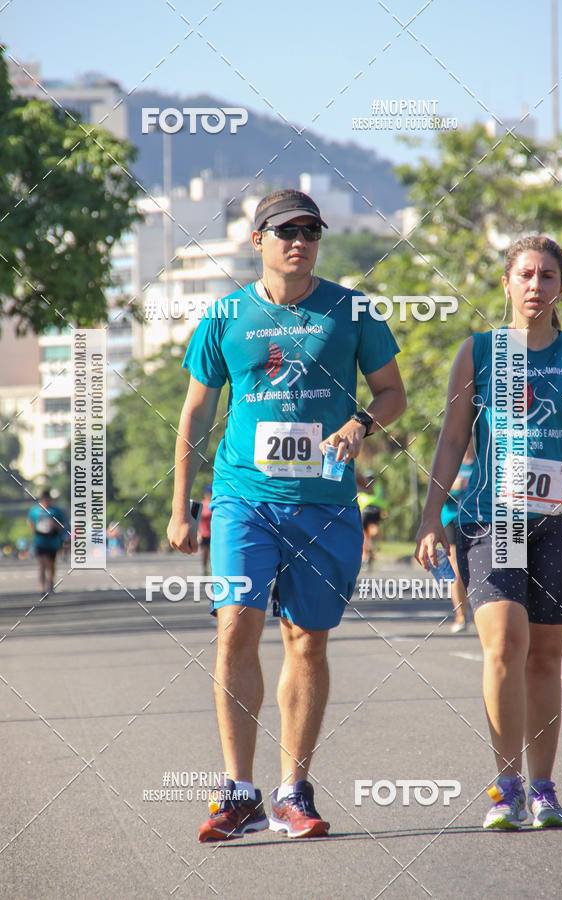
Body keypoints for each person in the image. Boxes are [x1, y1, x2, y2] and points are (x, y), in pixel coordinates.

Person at [167, 188, 406, 842]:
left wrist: (360, 425)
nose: (298, 241)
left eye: (309, 230)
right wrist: (182, 506)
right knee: (236, 624)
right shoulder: (225, 316)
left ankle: (291, 791)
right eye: (284, 231)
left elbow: (392, 394)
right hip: (242, 496)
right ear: (258, 241)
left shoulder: (351, 309)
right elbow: (195, 413)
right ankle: (237, 791)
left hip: (324, 503)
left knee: (306, 639)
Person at [415, 236, 562, 830]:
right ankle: (507, 785)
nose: (536, 285)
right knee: (504, 646)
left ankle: (543, 789)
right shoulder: (479, 352)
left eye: (548, 276)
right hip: (493, 518)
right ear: (506, 283)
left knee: (545, 658)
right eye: (525, 274)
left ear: (560, 288)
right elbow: (450, 440)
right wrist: (429, 516)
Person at [440, 440, 474, 632]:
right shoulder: (449, 462)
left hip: (477, 519)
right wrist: (454, 487)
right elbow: (435, 491)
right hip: (451, 519)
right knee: (457, 570)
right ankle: (461, 616)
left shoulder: (481, 462)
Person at [27, 489, 69, 596]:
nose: (46, 502)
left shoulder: (56, 511)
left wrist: (54, 524)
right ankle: (42, 589)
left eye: (48, 500)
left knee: (51, 565)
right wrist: (34, 530)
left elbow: (64, 526)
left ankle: (50, 583)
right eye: (44, 500)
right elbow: (30, 521)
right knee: (42, 564)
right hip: (40, 541)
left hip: (53, 541)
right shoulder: (34, 511)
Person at [356, 471, 389, 568]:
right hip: (376, 512)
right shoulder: (379, 489)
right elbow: (385, 501)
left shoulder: (361, 487)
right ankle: (372, 548)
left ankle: (366, 553)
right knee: (372, 531)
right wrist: (385, 511)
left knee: (364, 534)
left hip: (366, 512)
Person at [199, 484, 212, 574]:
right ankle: (204, 570)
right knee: (205, 554)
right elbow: (197, 519)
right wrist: (198, 533)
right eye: (208, 493)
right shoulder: (202, 505)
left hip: (214, 534)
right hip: (204, 533)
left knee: (214, 554)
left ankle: (214, 572)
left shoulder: (215, 504)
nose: (209, 495)